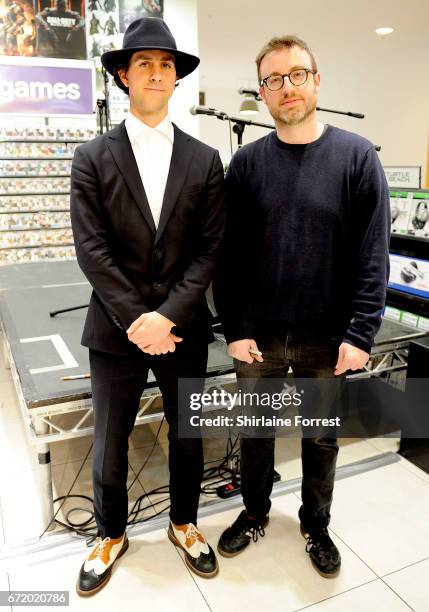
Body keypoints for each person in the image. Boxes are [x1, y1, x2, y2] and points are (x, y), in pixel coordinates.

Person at [214, 35, 390, 578]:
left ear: (316, 80)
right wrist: (236, 327)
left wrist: (361, 333)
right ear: (262, 93)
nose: (285, 88)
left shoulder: (357, 158)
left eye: (296, 75)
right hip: (258, 337)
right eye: (273, 80)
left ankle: (316, 524)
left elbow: (372, 254)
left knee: (319, 436)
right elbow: (230, 256)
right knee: (256, 434)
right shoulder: (244, 165)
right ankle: (255, 511)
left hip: (327, 336)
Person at [70, 17, 225, 596]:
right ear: (122, 75)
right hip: (115, 330)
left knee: (189, 434)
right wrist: (139, 320)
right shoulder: (91, 157)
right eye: (144, 64)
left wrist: (169, 317)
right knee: (109, 439)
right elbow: (92, 250)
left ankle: (183, 522)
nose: (156, 74)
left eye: (166, 65)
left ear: (175, 78)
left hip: (183, 329)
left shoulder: (205, 160)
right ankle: (110, 534)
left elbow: (209, 250)